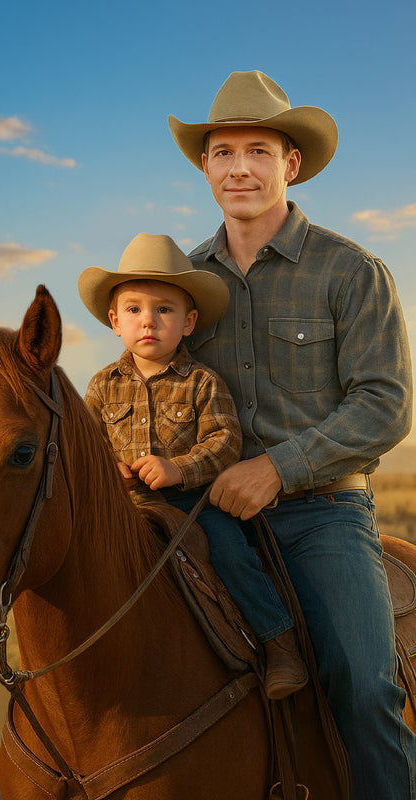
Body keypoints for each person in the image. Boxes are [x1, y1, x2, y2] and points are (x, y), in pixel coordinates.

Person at [168, 69, 415, 798]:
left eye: (256, 150)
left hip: (322, 514)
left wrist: (276, 468)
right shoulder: (182, 281)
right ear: (204, 166)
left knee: (365, 689)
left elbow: (384, 404)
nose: (237, 167)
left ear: (290, 163)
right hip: (203, 513)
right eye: (220, 152)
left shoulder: (350, 272)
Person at [78, 231, 308, 699]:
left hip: (192, 501)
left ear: (188, 322)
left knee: (229, 553)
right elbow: (90, 446)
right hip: (125, 504)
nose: (149, 321)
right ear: (114, 321)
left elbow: (225, 441)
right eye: (135, 309)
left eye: (165, 309)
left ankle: (279, 643)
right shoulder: (102, 386)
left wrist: (178, 469)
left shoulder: (202, 382)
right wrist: (110, 470)